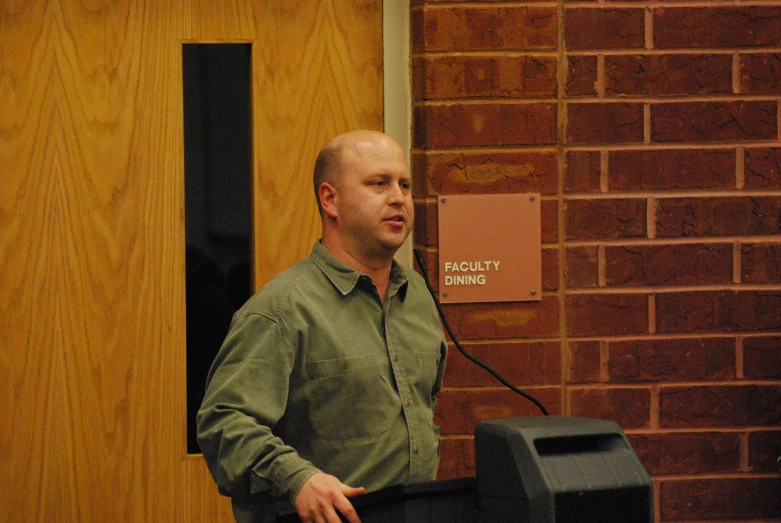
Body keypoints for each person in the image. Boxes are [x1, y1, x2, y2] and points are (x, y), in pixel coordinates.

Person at [197, 130, 448, 523]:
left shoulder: (415, 296)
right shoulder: (282, 309)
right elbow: (222, 423)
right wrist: (297, 479)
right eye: (378, 184)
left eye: (404, 185)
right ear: (330, 199)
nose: (398, 197)